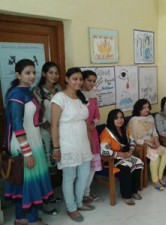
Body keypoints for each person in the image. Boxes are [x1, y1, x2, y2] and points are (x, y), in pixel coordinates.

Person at [4, 59, 53, 225]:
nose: (32, 76)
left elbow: (34, 119)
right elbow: (17, 125)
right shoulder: (16, 95)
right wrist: (27, 152)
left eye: (33, 72)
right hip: (23, 145)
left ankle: (20, 219)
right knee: (27, 183)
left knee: (25, 183)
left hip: (34, 141)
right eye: (27, 73)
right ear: (18, 74)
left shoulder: (29, 91)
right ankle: (32, 220)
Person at [51, 67, 94, 222]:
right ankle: (71, 208)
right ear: (67, 79)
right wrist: (56, 147)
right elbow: (54, 125)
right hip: (67, 144)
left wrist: (89, 142)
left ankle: (79, 202)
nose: (78, 82)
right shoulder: (59, 98)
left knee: (83, 175)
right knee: (69, 177)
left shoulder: (82, 98)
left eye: (80, 79)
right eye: (75, 78)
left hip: (83, 143)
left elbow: (86, 122)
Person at [32, 62, 62, 215]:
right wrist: (48, 128)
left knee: (54, 165)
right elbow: (35, 114)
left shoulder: (58, 90)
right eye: (50, 72)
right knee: (45, 165)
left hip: (58, 131)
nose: (54, 76)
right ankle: (43, 200)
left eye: (56, 73)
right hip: (44, 133)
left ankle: (49, 195)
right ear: (44, 74)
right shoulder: (37, 91)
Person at [100, 109, 144, 205]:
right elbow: (104, 151)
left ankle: (134, 191)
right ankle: (126, 195)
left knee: (137, 164)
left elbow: (132, 141)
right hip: (112, 159)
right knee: (126, 168)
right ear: (111, 119)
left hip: (126, 154)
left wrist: (131, 151)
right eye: (116, 118)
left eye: (121, 117)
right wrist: (120, 154)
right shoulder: (106, 133)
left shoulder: (125, 129)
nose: (120, 120)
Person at [128, 99, 166, 191]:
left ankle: (160, 178)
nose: (147, 109)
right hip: (141, 146)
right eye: (144, 107)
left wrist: (157, 141)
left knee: (164, 152)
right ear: (138, 109)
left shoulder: (150, 117)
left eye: (148, 107)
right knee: (155, 156)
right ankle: (155, 181)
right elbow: (133, 138)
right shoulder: (133, 121)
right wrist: (148, 143)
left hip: (152, 142)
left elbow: (154, 131)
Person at [81, 70, 102, 202]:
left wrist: (93, 124)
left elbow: (97, 115)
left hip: (92, 132)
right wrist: (86, 126)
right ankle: (80, 193)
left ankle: (87, 192)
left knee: (92, 166)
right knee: (83, 165)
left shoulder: (93, 95)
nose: (92, 83)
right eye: (89, 80)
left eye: (94, 81)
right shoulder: (76, 96)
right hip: (81, 133)